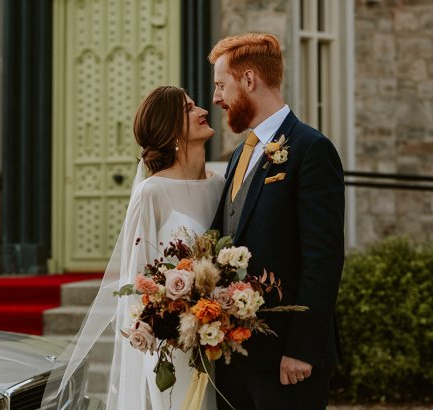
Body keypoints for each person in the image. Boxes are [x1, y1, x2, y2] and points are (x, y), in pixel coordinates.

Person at [44, 86, 224, 409]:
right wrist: (169, 324)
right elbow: (137, 284)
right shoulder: (152, 193)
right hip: (176, 346)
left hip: (222, 338)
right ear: (170, 130)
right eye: (189, 109)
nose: (203, 111)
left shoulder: (220, 185)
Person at [208, 33, 345, 409]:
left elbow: (324, 258)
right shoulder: (239, 155)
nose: (217, 98)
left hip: (288, 360)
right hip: (235, 354)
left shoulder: (311, 149)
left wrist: (302, 349)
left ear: (249, 80)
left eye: (222, 85)